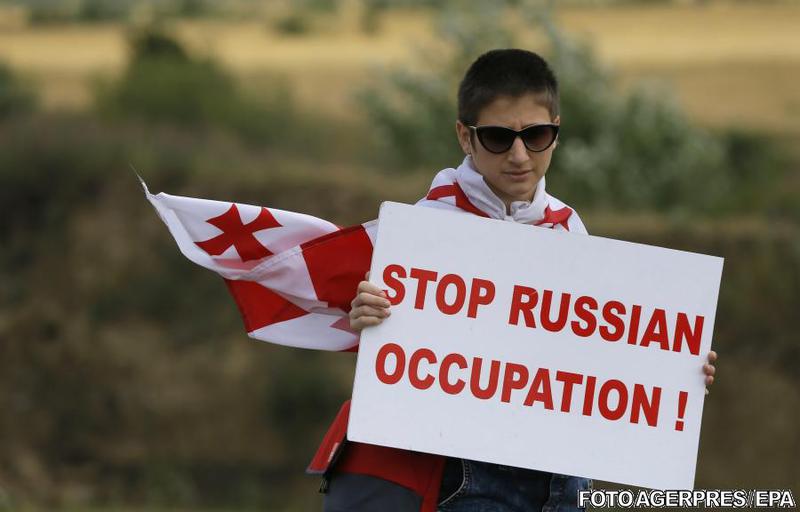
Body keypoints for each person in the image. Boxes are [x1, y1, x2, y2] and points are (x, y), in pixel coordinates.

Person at [310, 48, 718, 512]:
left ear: (557, 132)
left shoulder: (570, 228)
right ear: (465, 136)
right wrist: (365, 320)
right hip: (465, 475)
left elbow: (595, 351)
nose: (520, 156)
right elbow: (397, 367)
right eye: (499, 138)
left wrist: (673, 369)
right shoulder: (421, 231)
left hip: (565, 476)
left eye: (538, 135)